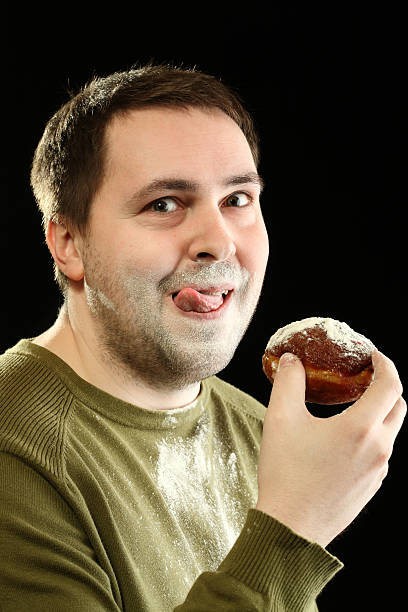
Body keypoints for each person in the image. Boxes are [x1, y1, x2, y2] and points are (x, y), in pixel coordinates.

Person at [0, 64, 405, 611]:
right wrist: (291, 527)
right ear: (68, 242)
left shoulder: (264, 435)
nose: (219, 240)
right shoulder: (15, 451)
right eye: (164, 204)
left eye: (237, 199)